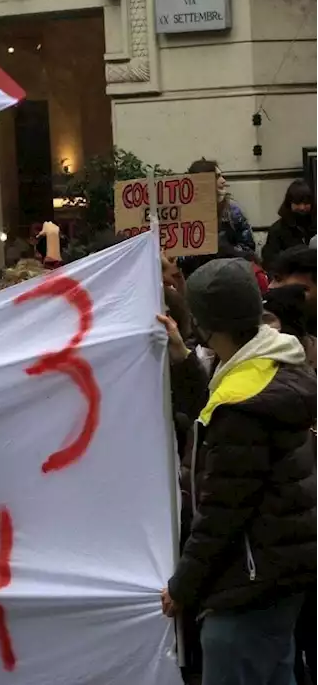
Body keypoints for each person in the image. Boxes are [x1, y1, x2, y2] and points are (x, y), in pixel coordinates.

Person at [162, 258, 318, 685]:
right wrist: (183, 363)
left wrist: (182, 587)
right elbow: (215, 418)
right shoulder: (269, 364)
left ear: (209, 324)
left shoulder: (241, 404)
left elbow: (221, 514)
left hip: (247, 580)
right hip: (277, 574)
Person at [190, 158, 256, 257]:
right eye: (217, 177)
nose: (223, 181)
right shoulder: (187, 214)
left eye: (221, 176)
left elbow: (249, 248)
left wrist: (225, 250)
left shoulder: (233, 212)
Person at [263, 181, 315, 269]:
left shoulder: (314, 224)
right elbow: (270, 261)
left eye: (306, 203)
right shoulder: (277, 230)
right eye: (298, 203)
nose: (302, 207)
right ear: (289, 203)